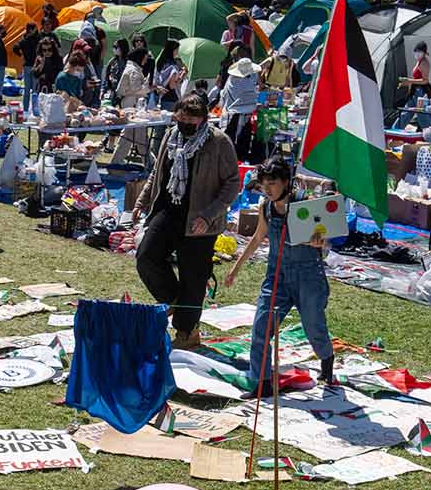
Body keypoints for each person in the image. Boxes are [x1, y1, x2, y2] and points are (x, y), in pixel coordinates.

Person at [134, 94, 240, 350]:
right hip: (169, 211)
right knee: (146, 257)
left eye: (191, 119)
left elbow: (233, 183)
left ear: (203, 119)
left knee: (194, 277)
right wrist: (142, 201)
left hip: (200, 221)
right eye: (180, 118)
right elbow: (158, 172)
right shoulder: (171, 137)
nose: (184, 123)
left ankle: (187, 331)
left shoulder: (218, 142)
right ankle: (173, 299)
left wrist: (209, 215)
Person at [224, 154, 333, 388]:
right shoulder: (266, 208)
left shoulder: (306, 203)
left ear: (286, 181)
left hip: (308, 276)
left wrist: (319, 241)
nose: (267, 189)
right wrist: (235, 269)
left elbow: (326, 238)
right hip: (277, 277)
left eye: (272, 183)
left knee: (313, 325)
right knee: (262, 326)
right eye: (264, 185)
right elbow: (256, 238)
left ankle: (327, 360)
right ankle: (261, 382)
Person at [220, 45, 262, 160]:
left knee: (231, 144)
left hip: (233, 115)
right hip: (237, 116)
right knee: (237, 145)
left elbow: (224, 96)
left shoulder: (232, 79)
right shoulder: (244, 82)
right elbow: (251, 99)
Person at [12, 22, 43, 114]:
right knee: (34, 89)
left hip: (27, 65)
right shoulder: (38, 39)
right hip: (35, 65)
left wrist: (21, 55)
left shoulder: (24, 39)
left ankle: (26, 110)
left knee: (27, 89)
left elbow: (15, 48)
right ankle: (34, 110)